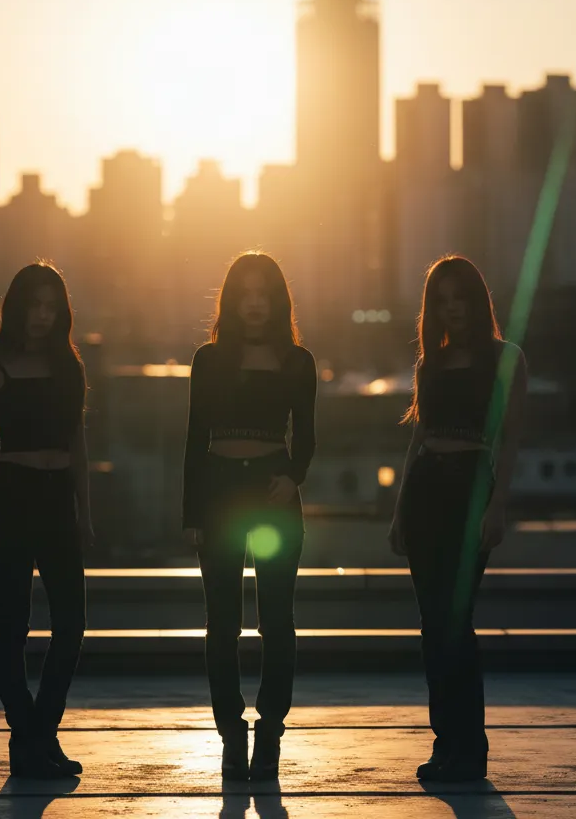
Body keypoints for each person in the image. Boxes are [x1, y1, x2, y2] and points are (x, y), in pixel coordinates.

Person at [388, 255, 526, 783]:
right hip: (425, 491)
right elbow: (416, 440)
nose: (453, 310)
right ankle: (445, 744)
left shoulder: (506, 357)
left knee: (456, 624)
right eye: (442, 302)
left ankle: (472, 749)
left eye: (460, 298)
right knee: (432, 628)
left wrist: (499, 505)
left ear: (477, 300)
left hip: (472, 490)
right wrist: (400, 509)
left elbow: (510, 439)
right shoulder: (430, 364)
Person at [183, 252, 317, 782]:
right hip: (219, 494)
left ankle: (271, 732)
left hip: (273, 496)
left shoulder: (297, 361)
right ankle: (230, 733)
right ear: (232, 302)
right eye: (246, 294)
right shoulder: (209, 359)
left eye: (265, 294)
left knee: (277, 622)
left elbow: (305, 434)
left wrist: (294, 477)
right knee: (222, 625)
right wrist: (192, 512)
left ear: (278, 301)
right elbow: (195, 438)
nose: (255, 304)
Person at [0, 262, 94, 780]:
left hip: (58, 497)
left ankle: (38, 736)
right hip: (12, 496)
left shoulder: (69, 367)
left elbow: (79, 444)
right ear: (15, 308)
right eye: (33, 306)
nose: (42, 316)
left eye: (51, 307)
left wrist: (86, 511)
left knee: (71, 625)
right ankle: (29, 738)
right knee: (13, 625)